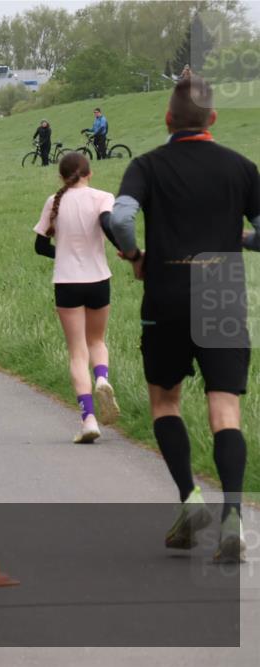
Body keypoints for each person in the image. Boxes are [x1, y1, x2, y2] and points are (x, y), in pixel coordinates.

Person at [110, 76, 259, 563]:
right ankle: (232, 515)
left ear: (168, 120)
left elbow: (120, 218)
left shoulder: (147, 165)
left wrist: (134, 254)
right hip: (222, 294)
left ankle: (190, 500)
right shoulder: (241, 168)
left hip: (168, 291)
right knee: (225, 411)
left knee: (166, 401)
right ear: (212, 119)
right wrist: (239, 241)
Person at [33, 152, 122, 443]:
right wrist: (125, 250)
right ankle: (102, 378)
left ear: (61, 176)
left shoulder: (53, 201)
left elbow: (39, 245)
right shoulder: (103, 197)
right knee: (97, 340)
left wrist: (63, 253)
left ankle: (88, 420)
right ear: (89, 173)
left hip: (67, 282)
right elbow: (109, 226)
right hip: (99, 279)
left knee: (76, 352)